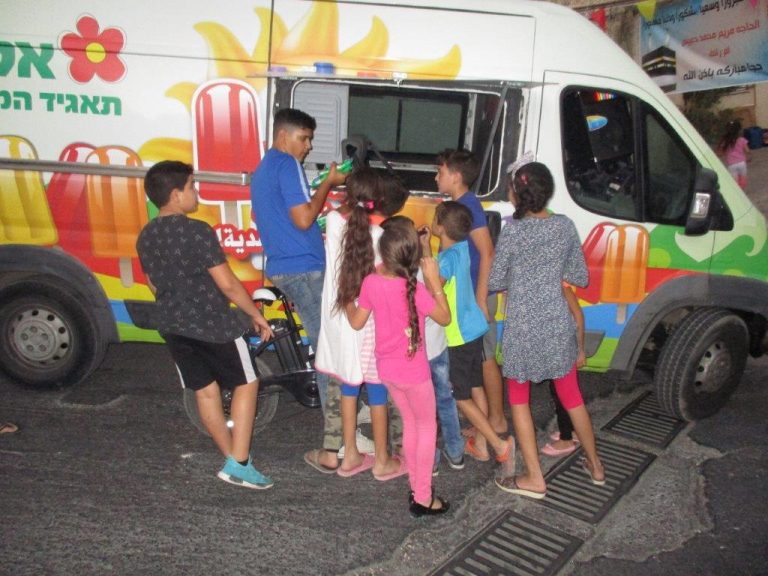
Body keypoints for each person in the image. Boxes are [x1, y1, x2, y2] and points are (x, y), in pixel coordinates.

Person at [137, 161, 275, 489]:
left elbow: (153, 283)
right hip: (213, 323)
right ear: (176, 194)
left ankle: (234, 461)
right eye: (191, 186)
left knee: (206, 391)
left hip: (172, 323)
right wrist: (255, 314)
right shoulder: (197, 231)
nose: (196, 192)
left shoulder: (146, 236)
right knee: (247, 381)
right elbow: (227, 284)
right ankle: (239, 462)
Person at [489, 161, 604, 499]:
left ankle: (534, 478)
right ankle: (596, 465)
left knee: (519, 400)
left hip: (522, 327)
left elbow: (495, 280)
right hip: (557, 323)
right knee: (572, 396)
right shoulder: (564, 226)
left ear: (517, 193)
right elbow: (580, 276)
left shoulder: (513, 232)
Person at [345, 216, 452, 517]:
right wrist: (434, 282)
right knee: (426, 427)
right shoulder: (415, 288)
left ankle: (418, 488)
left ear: (383, 253)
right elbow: (445, 318)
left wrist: (346, 299)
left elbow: (356, 322)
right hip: (414, 373)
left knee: (410, 425)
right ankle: (423, 496)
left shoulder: (371, 282)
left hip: (387, 371)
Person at [312, 167, 408, 480]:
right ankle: (382, 459)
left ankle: (350, 454)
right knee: (377, 386)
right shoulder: (382, 237)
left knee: (348, 382)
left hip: (339, 318)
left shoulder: (336, 220)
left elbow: (342, 211)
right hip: (369, 322)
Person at [250, 108, 347, 412]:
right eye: (304, 138)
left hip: (287, 266)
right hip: (303, 267)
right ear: (283, 135)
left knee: (325, 343)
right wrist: (329, 182)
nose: (309, 146)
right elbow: (304, 219)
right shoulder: (287, 163)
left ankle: (345, 415)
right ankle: (338, 429)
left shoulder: (264, 167)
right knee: (328, 347)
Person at [420, 202, 514, 470]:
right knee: (475, 386)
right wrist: (426, 247)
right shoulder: (461, 248)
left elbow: (433, 285)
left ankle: (498, 445)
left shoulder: (446, 258)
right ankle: (481, 444)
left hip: (458, 336)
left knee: (460, 396)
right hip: (473, 328)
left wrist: (424, 266)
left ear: (440, 227)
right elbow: (440, 272)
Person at [435, 150, 507, 436]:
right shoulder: (461, 204)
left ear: (455, 176)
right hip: (470, 296)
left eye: (440, 172)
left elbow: (487, 252)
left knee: (486, 359)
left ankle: (496, 420)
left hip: (477, 296)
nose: (436, 177)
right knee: (477, 363)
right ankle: (485, 420)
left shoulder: (469, 206)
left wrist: (480, 298)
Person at [541, 286, 584, 457]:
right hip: (556, 348)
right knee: (560, 393)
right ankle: (572, 431)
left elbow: (578, 316)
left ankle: (566, 439)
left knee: (562, 395)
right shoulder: (553, 285)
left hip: (561, 350)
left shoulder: (561, 287)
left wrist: (580, 349)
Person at [717, 119, 751, 190]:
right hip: (742, 163)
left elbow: (721, 153)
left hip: (731, 165)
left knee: (735, 183)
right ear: (739, 130)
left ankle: (738, 192)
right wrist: (748, 157)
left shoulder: (725, 141)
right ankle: (742, 190)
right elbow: (747, 151)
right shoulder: (742, 139)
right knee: (743, 179)